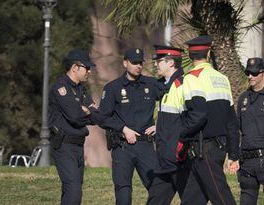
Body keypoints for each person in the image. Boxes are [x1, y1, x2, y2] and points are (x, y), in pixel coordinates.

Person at [179, 35, 240, 205]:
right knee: (191, 200)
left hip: (204, 149)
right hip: (218, 147)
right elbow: (232, 121)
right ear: (209, 53)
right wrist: (233, 153)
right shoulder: (222, 78)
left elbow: (198, 115)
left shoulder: (192, 77)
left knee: (222, 198)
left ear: (190, 56)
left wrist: (181, 134)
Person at [99, 48, 163, 205]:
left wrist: (160, 125)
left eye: (140, 62)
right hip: (122, 147)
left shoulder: (152, 84)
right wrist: (123, 129)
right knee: (123, 191)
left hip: (146, 146)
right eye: (134, 63)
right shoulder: (112, 88)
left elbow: (173, 101)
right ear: (125, 63)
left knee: (158, 188)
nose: (138, 66)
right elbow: (103, 117)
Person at [147, 45, 206, 205]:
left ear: (170, 63)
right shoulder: (168, 86)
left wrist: (181, 142)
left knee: (190, 200)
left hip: (179, 159)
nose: (156, 65)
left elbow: (196, 116)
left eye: (159, 61)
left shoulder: (183, 84)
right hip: (165, 160)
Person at [48, 49, 101, 205]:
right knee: (73, 191)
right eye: (87, 68)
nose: (89, 71)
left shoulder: (81, 89)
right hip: (64, 145)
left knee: (72, 191)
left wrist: (87, 111)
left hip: (78, 145)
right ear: (75, 67)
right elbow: (75, 117)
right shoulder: (61, 88)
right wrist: (86, 111)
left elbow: (96, 115)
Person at [237, 58, 264, 205]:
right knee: (246, 199)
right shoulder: (243, 98)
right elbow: (239, 127)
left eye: (254, 73)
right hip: (247, 160)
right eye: (248, 72)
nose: (250, 76)